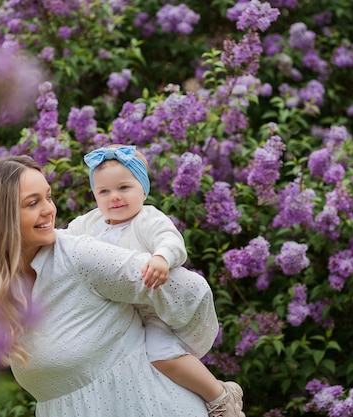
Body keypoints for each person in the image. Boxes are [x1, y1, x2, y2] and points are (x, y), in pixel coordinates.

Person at [0, 155, 223, 417]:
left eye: (48, 197)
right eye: (33, 202)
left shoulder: (78, 256)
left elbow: (190, 292)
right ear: (0, 217)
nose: (49, 209)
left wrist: (169, 349)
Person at [65, 145, 245, 417]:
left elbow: (170, 239)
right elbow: (65, 239)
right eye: (104, 191)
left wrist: (161, 258)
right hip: (115, 312)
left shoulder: (147, 219)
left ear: (143, 189)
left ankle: (220, 396)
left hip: (153, 311)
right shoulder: (91, 222)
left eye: (124, 188)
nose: (114, 197)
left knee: (161, 353)